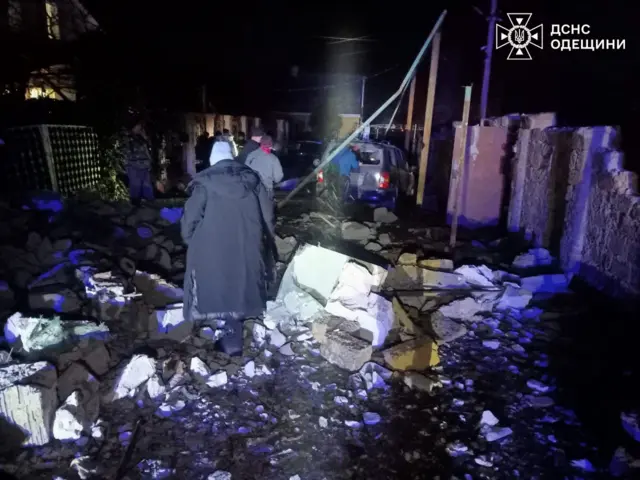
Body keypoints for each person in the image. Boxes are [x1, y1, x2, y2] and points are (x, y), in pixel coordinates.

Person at [181, 140, 277, 356]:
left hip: (210, 247)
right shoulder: (252, 180)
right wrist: (267, 240)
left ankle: (214, 332)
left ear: (213, 160)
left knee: (214, 281)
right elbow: (268, 216)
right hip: (247, 243)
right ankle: (233, 333)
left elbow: (189, 221)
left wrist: (191, 241)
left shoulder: (204, 184)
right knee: (240, 283)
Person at [121, 120, 154, 204]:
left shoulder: (141, 138)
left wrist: (145, 138)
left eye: (141, 127)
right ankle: (136, 204)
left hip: (144, 165)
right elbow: (126, 152)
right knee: (136, 186)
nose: (140, 128)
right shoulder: (127, 137)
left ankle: (148, 205)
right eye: (138, 126)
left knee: (147, 187)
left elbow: (147, 150)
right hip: (133, 165)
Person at [245, 135, 284, 200]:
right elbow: (278, 177)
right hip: (266, 190)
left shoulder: (251, 155)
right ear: (271, 145)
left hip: (251, 190)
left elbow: (245, 170)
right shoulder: (273, 158)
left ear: (260, 143)